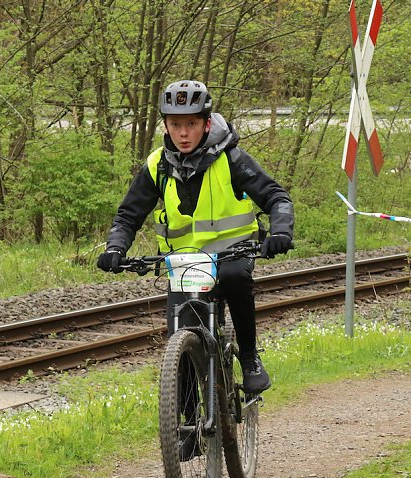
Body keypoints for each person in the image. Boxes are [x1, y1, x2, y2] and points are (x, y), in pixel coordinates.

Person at [97, 80, 294, 395]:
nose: (183, 133)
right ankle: (184, 422)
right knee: (182, 344)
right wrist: (114, 248)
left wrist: (281, 231)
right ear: (166, 125)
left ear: (206, 123)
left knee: (235, 278)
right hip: (185, 262)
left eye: (191, 124)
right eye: (176, 125)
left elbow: (276, 197)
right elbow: (128, 216)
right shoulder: (157, 166)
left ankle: (249, 358)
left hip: (233, 252)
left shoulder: (231, 159)